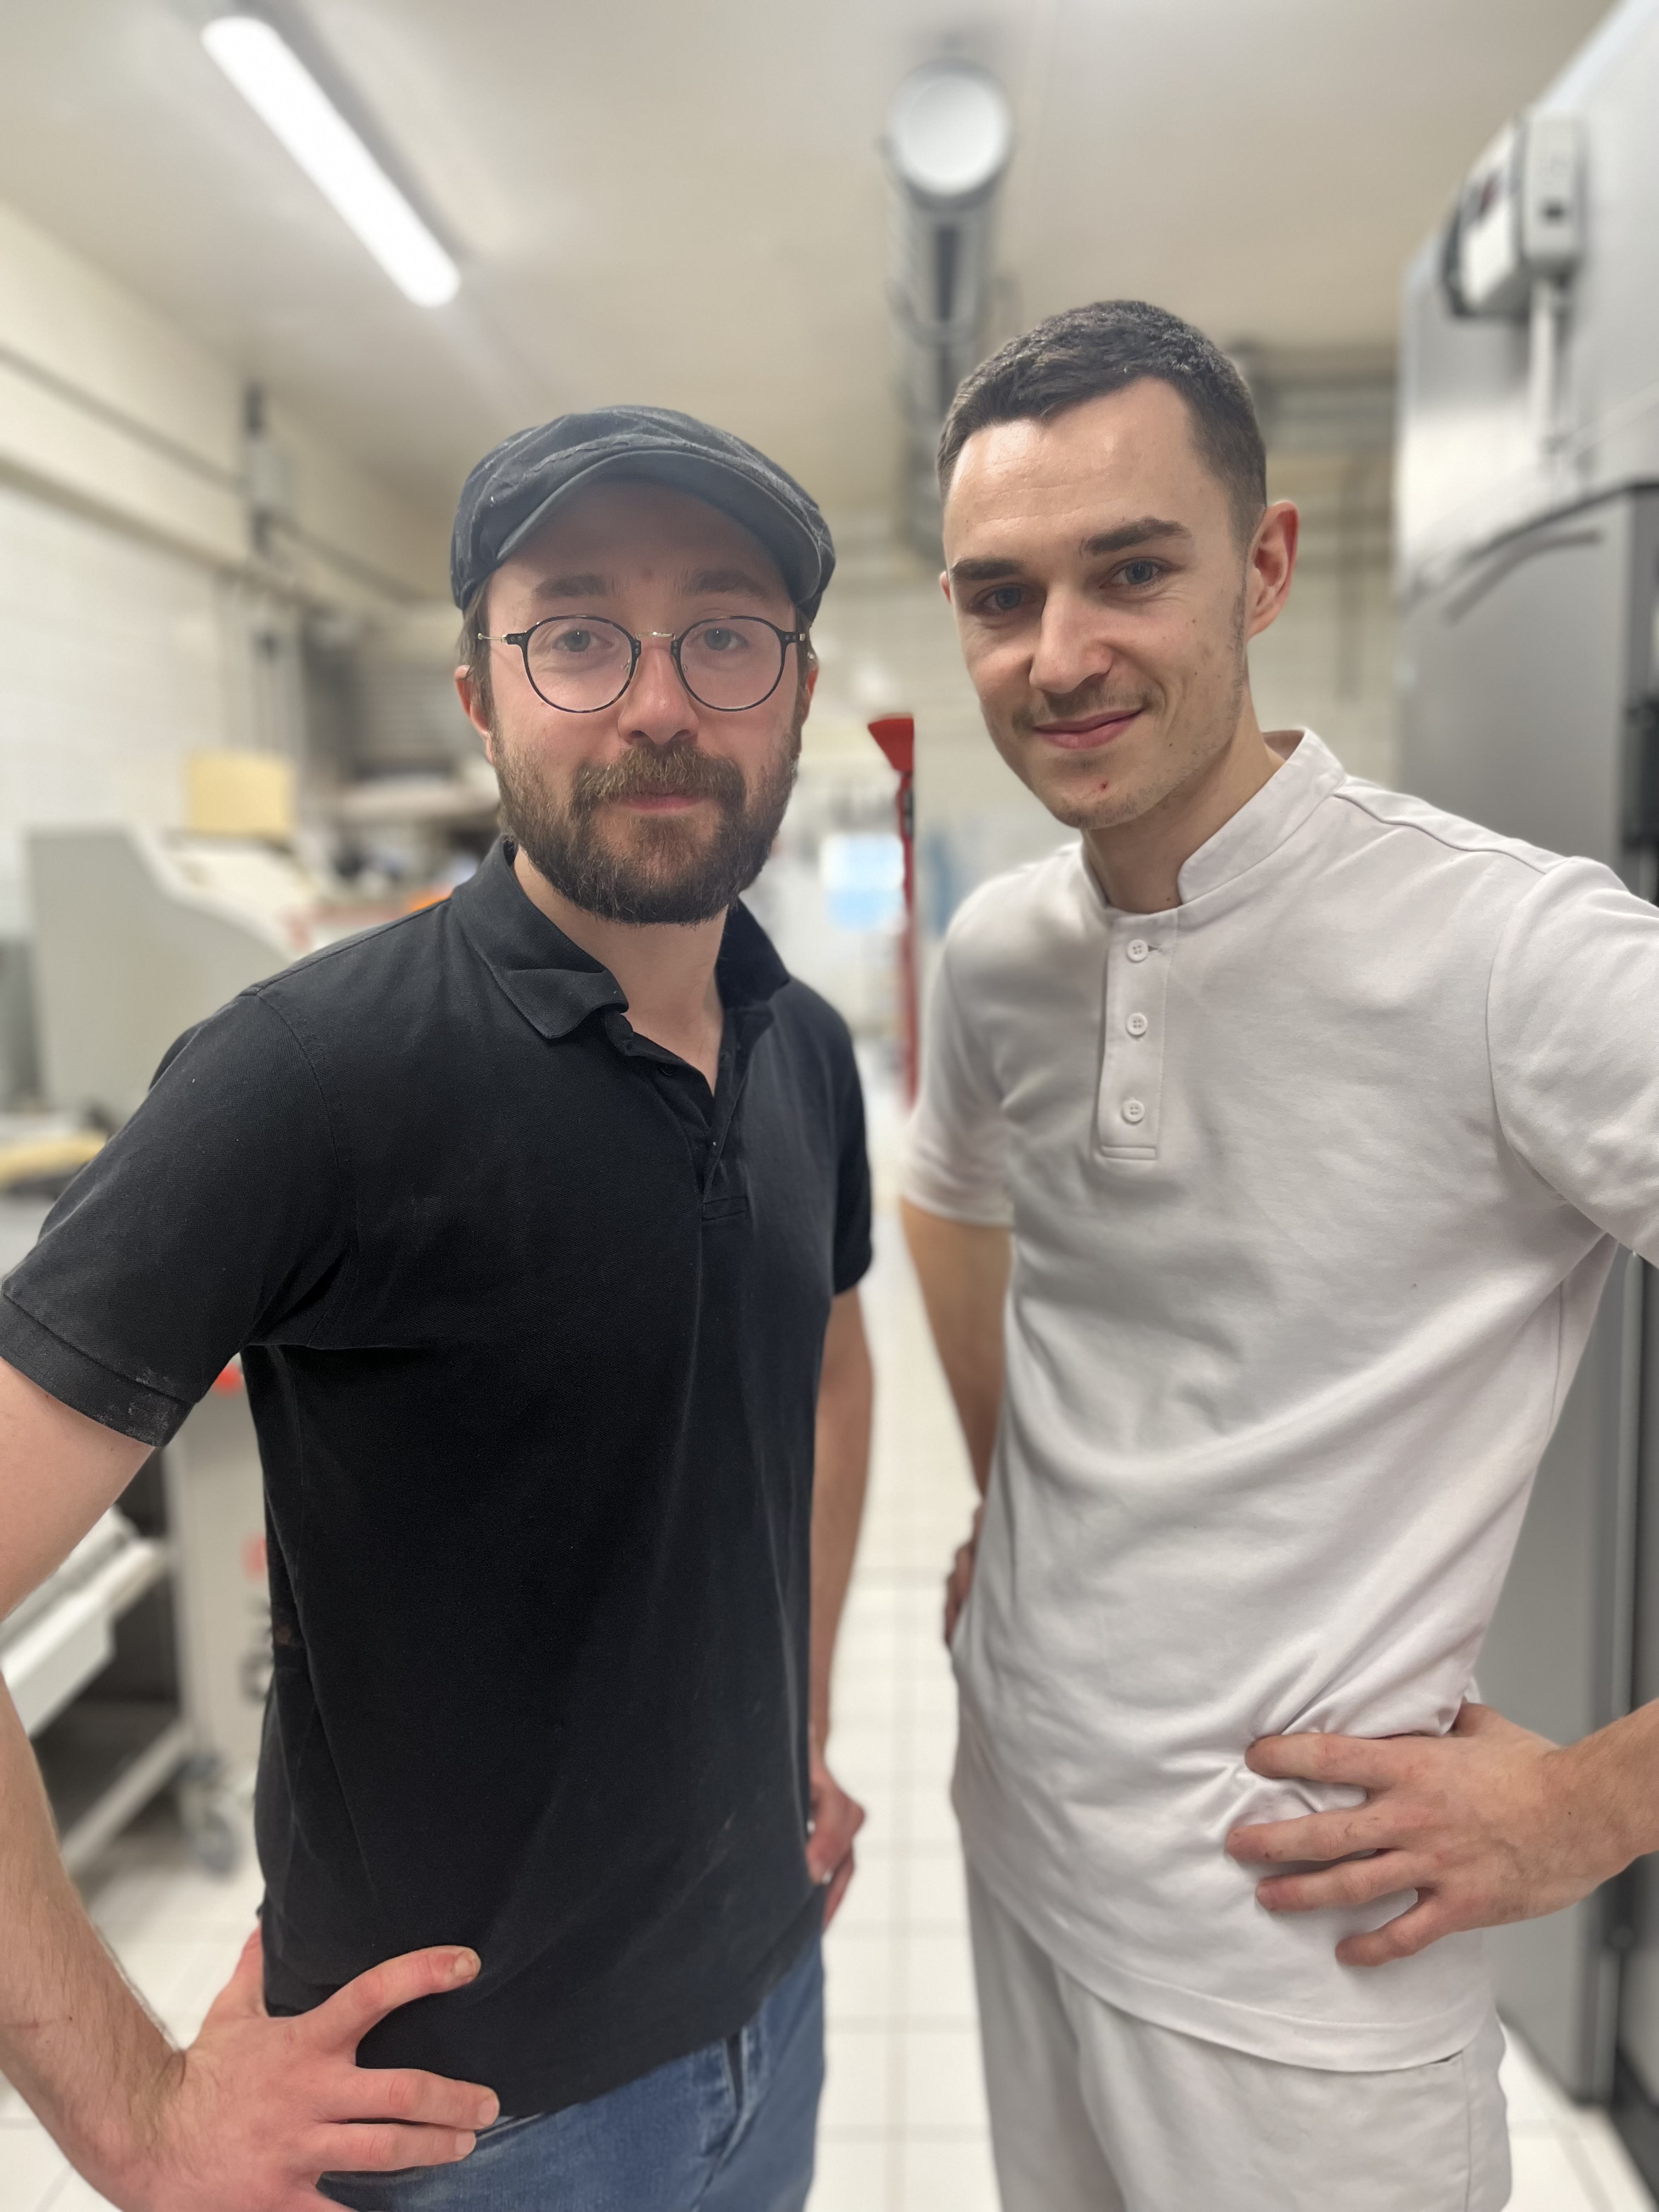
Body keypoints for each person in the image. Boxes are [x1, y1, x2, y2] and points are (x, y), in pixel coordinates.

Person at [0, 406, 874, 2211]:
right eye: (574, 631)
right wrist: (133, 2119)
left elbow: (825, 1374)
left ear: (793, 689)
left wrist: (793, 1731)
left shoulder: (806, 1051)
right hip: (475, 2137)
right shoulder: (304, 1084)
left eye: (724, 631)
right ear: (480, 690)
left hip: (769, 2022)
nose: (655, 702)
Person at [901, 299, 1659, 2211]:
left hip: (1304, 1975)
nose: (1060, 657)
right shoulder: (1002, 952)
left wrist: (1596, 1806)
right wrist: (1018, 1500)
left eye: (1130, 572)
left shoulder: (1517, 960)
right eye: (1001, 597)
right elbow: (951, 1194)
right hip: (1024, 1846)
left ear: (1264, 566)